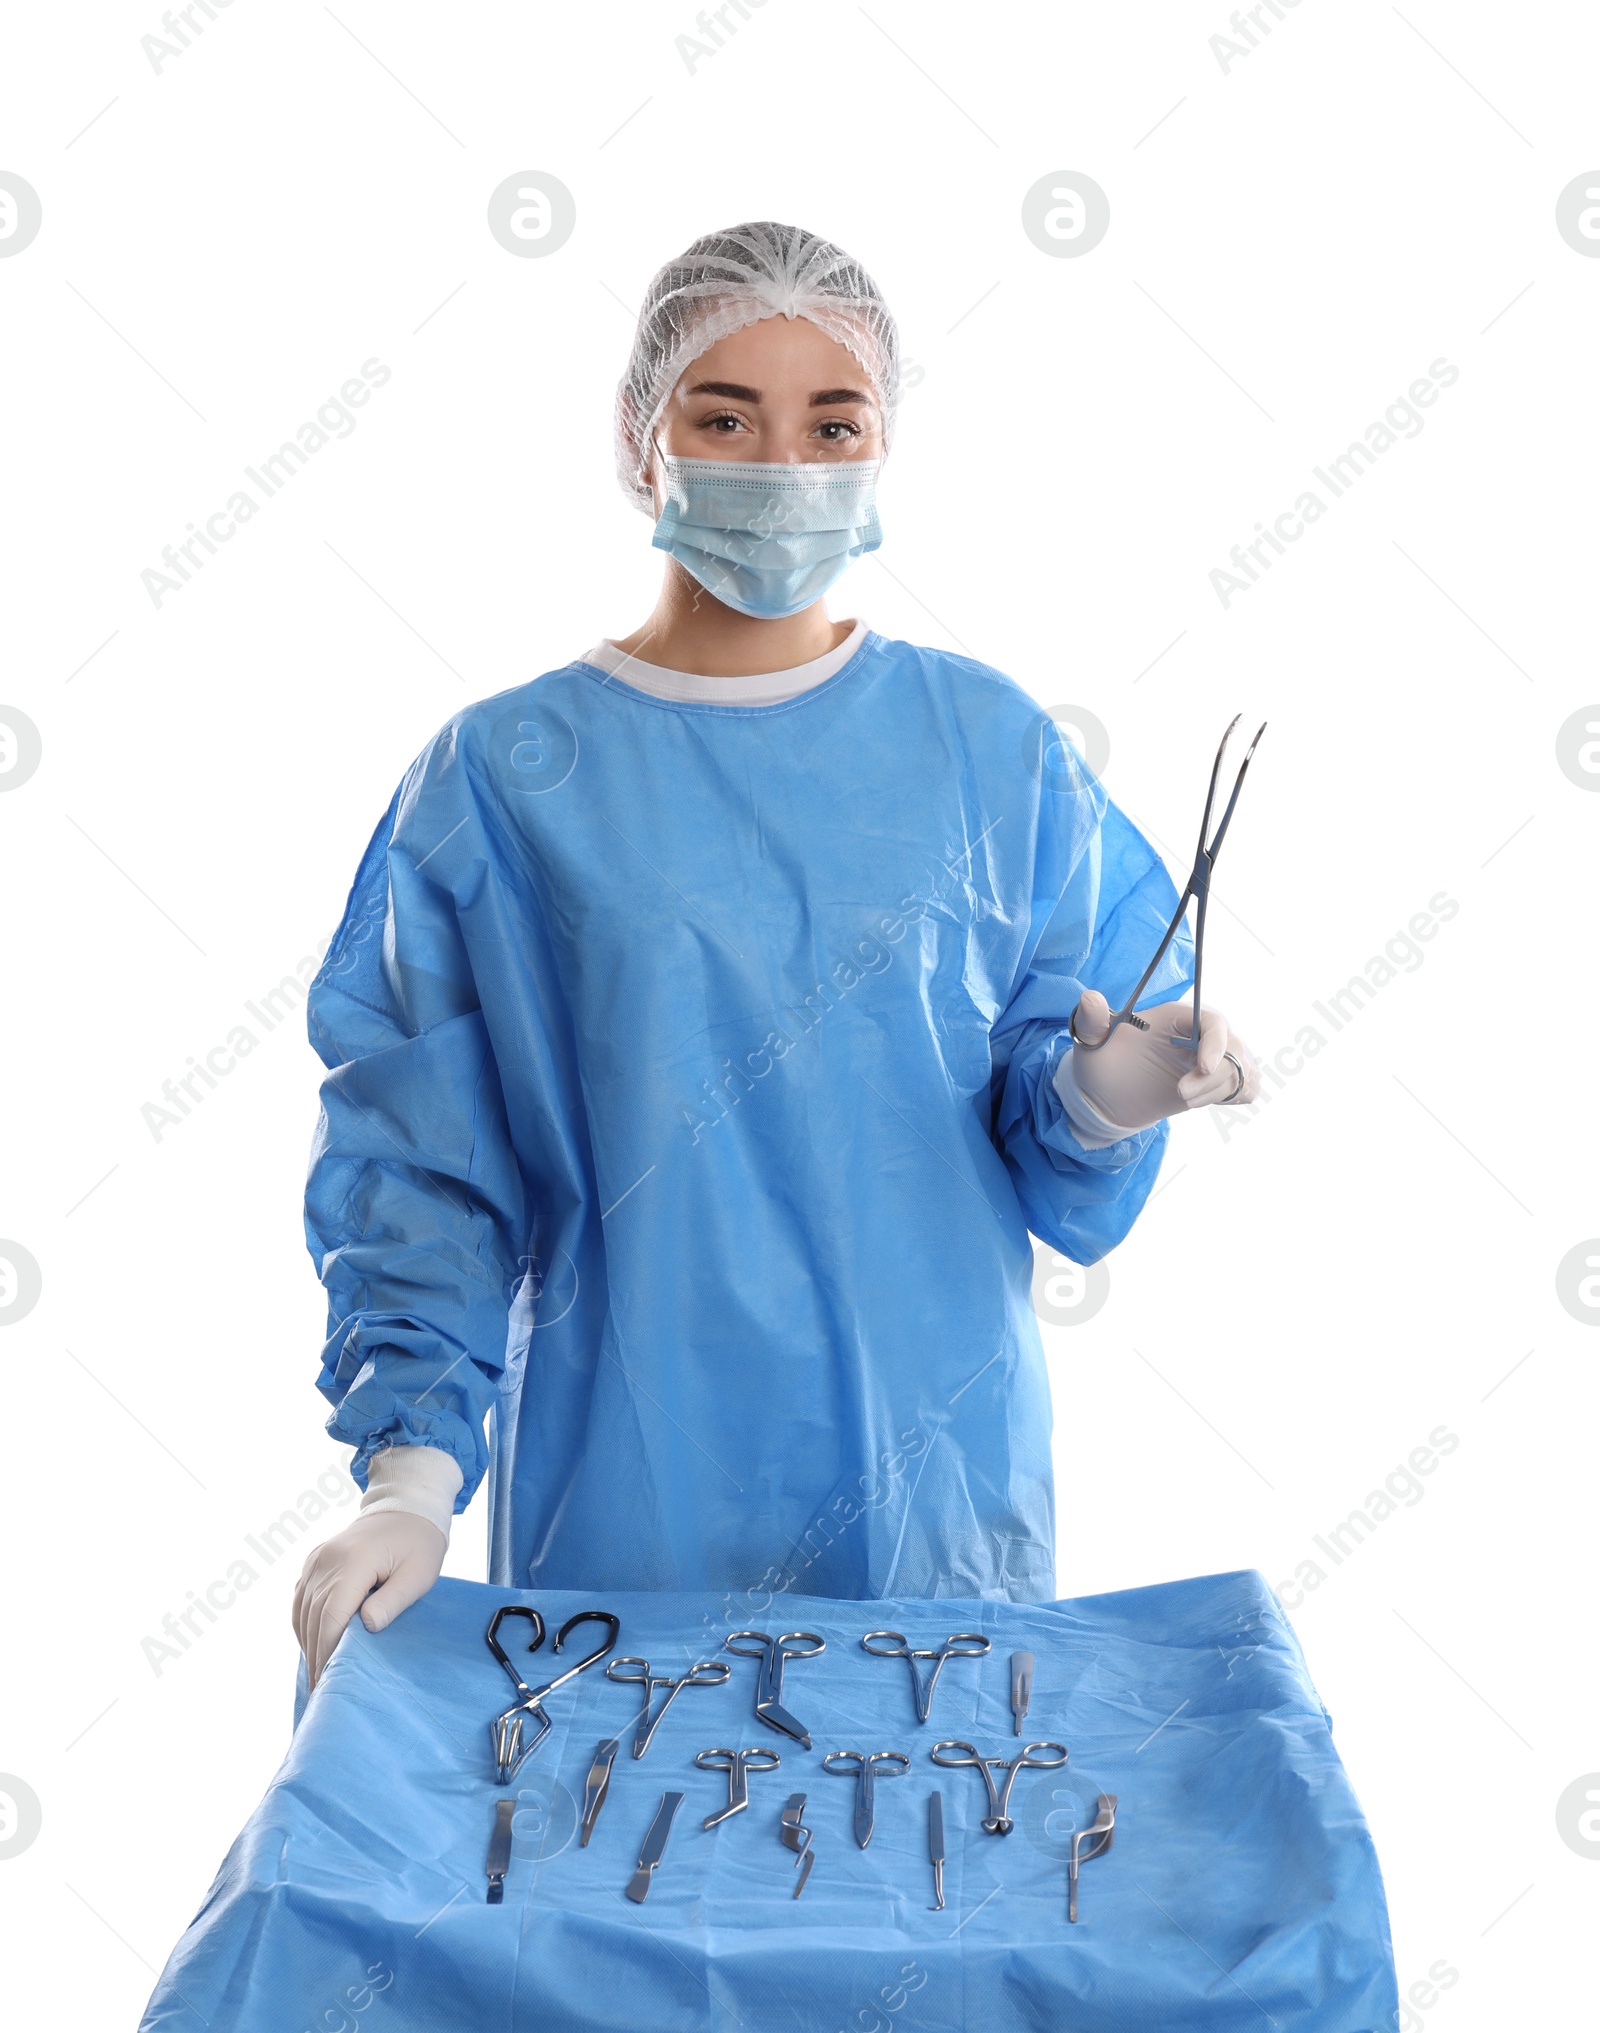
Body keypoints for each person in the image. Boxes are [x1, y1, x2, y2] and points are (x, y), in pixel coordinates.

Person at [292, 222, 1260, 1687]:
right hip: (628, 1491)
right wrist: (409, 1483)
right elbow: (425, 1165)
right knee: (622, 1883)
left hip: (938, 1487)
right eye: (725, 415)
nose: (783, 462)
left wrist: (1098, 1100)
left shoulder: (986, 747)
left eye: (833, 421)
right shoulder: (505, 774)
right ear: (640, 439)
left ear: (885, 449)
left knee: (931, 1873)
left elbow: (1036, 1119)